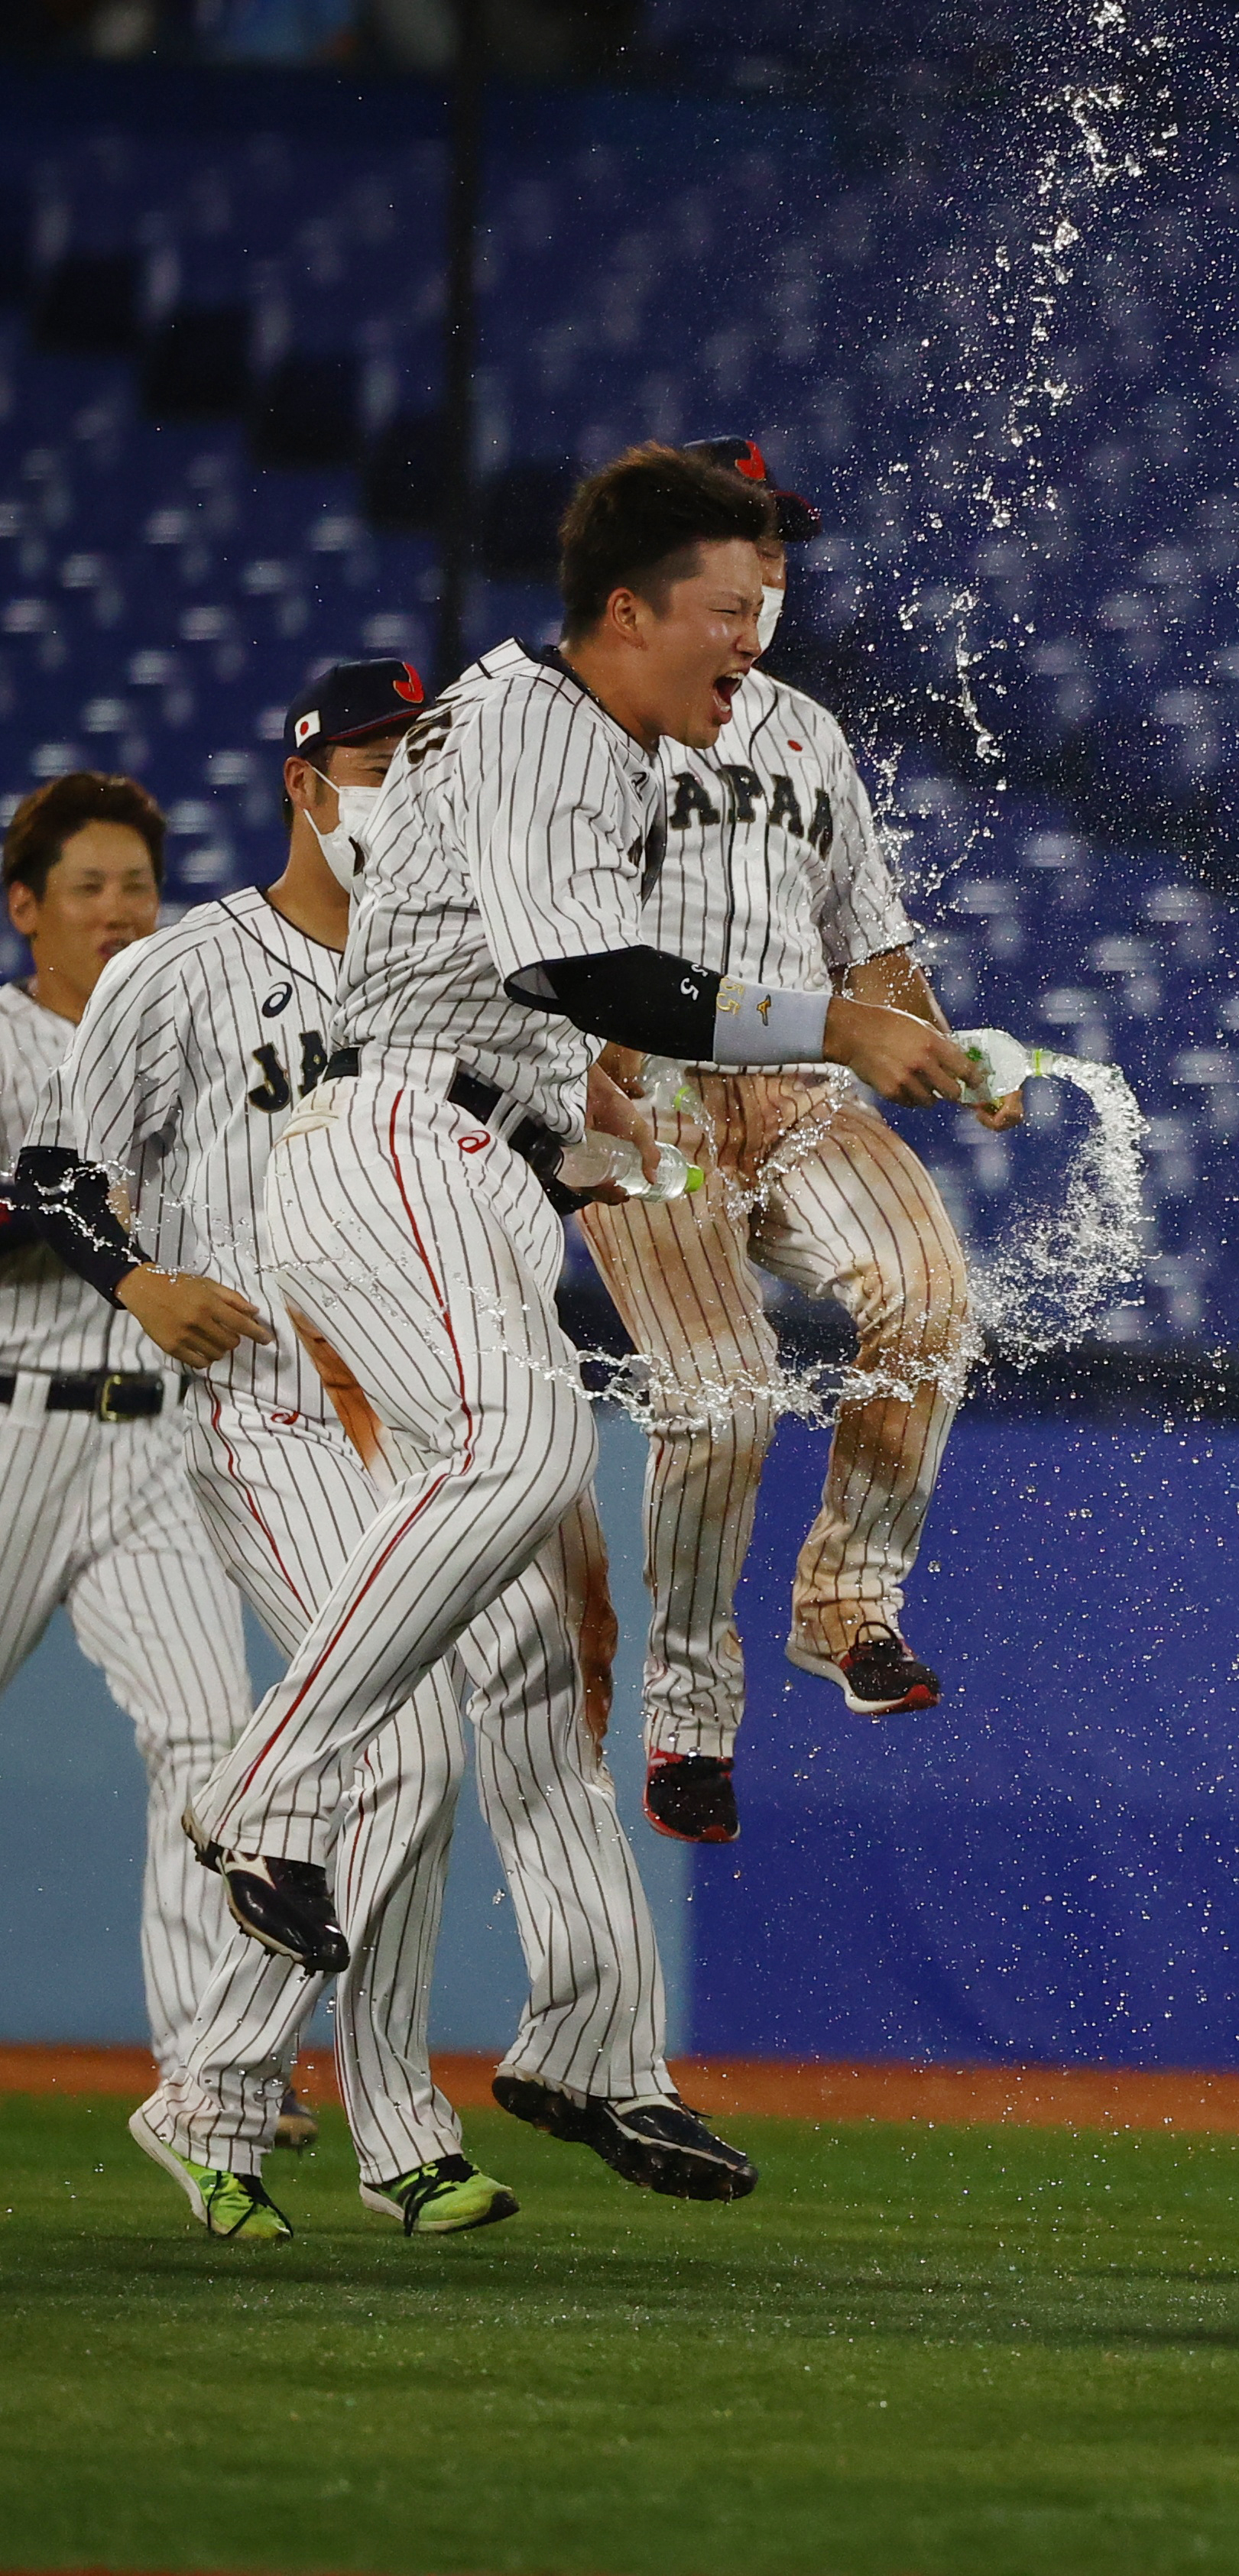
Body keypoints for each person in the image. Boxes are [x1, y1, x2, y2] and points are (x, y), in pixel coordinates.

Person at [170, 444, 966, 1992]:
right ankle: (272, 1793)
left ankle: (310, 1818)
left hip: (476, 1138)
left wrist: (574, 1127)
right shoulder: (547, 727)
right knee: (523, 1458)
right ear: (630, 609)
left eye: (763, 602)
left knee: (518, 1514)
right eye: (729, 608)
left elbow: (512, 1001)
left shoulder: (582, 731)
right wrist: (844, 1028)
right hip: (400, 1136)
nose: (758, 634)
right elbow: (585, 981)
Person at [32, 659, 731, 2234]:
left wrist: (634, 1171)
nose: (398, 788)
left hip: (426, 1417)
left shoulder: (476, 970)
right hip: (270, 1412)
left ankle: (480, 2086)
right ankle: (306, 2105)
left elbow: (538, 1171)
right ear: (301, 782)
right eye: (368, 760)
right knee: (398, 1750)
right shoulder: (187, 967)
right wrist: (138, 1280)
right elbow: (50, 1178)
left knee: (533, 1697)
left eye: (421, 759)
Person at [572, 435, 1014, 1846]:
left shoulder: (804, 730)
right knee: (723, 1400)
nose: (770, 566)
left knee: (934, 1302)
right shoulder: (586, 724)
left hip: (805, 1085)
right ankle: (690, 1720)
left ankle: (847, 1604)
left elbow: (867, 941)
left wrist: (939, 1043)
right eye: (746, 537)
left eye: (781, 545)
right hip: (651, 1097)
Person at [0, 772, 255, 2216]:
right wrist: (64, 1208)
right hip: (13, 1426)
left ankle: (210, 2083)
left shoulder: (193, 1043)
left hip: (162, 1448)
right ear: (27, 908)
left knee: (215, 1748)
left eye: (137, 887)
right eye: (88, 887)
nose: (119, 910)